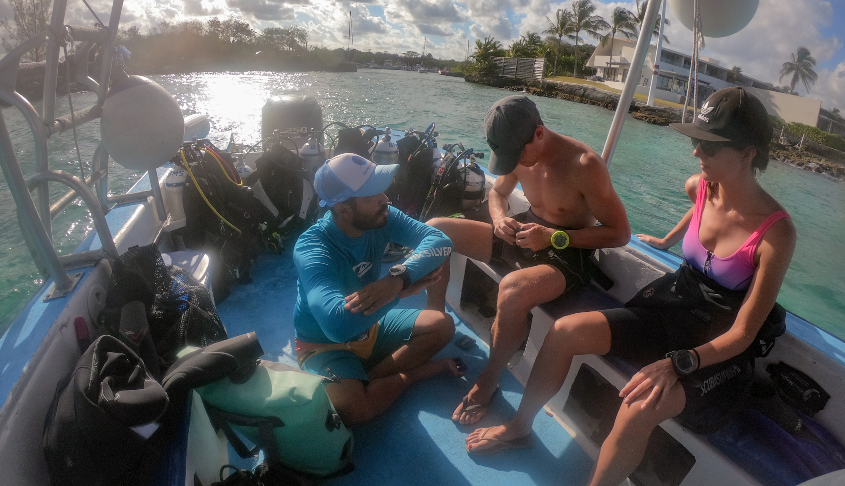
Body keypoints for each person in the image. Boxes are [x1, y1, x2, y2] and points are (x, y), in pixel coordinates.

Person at [464, 87, 796, 486]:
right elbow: (700, 211)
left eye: (708, 146)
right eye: (695, 141)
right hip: (676, 303)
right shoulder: (701, 185)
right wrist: (667, 243)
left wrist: (679, 362)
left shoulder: (776, 234)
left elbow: (744, 333)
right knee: (565, 331)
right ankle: (520, 426)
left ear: (748, 153)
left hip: (717, 343)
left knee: (639, 407)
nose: (696, 154)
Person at [426, 94, 631, 424]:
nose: (513, 162)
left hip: (566, 251)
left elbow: (620, 233)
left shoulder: (585, 166)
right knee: (436, 231)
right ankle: (433, 322)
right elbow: (498, 192)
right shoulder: (519, 153)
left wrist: (554, 237)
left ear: (538, 134)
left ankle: (489, 379)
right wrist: (498, 219)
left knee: (512, 289)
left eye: (515, 154)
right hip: (521, 232)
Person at [293, 153, 464, 426]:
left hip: (371, 325)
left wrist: (399, 277)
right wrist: (399, 293)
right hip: (323, 344)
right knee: (353, 410)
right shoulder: (312, 248)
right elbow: (337, 326)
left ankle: (368, 380)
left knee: (442, 325)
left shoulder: (381, 217)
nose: (385, 198)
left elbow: (440, 241)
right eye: (373, 194)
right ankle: (411, 375)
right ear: (343, 210)